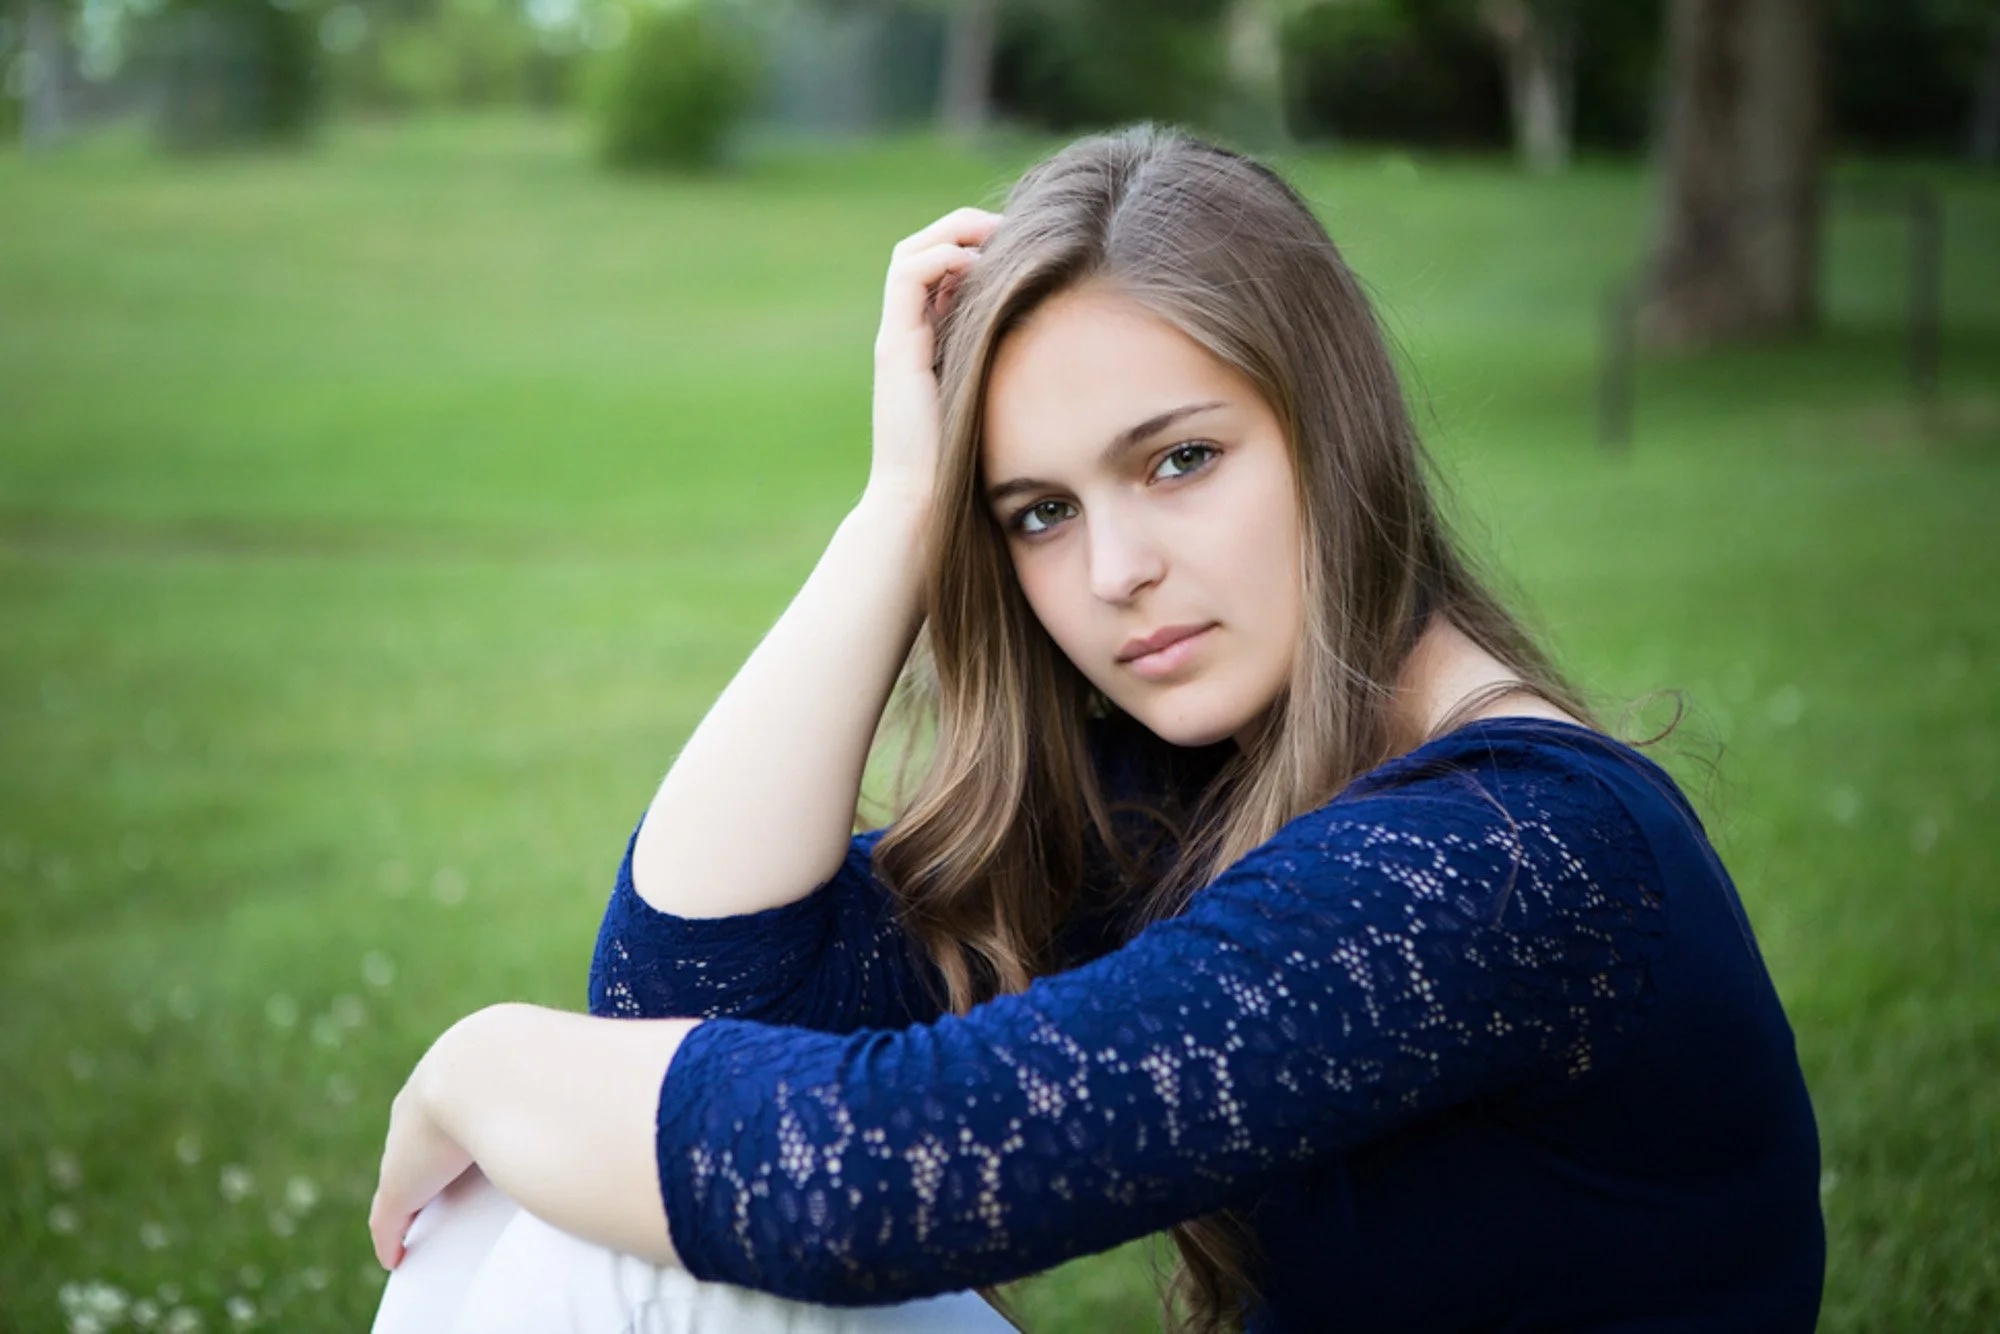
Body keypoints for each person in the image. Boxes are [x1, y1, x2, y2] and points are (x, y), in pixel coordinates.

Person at [368, 125, 1825, 1334]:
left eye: (1181, 459)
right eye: (1040, 512)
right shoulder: (1193, 791)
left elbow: (875, 1179)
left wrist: (479, 1059)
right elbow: (687, 993)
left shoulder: (1514, 852)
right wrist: (898, 514)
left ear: (1336, 432)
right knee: (557, 1192)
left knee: (587, 1206)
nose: (1113, 570)